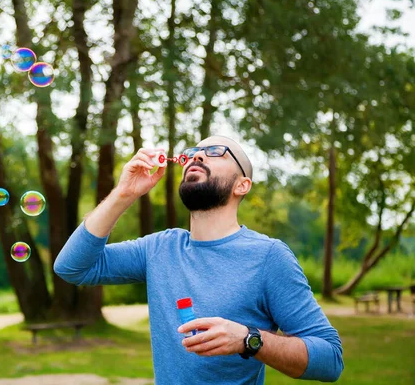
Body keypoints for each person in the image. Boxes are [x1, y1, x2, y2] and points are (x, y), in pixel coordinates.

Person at [54, 135, 344, 384]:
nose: (197, 156)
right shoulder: (160, 248)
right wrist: (124, 193)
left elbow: (330, 359)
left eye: (215, 151)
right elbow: (71, 267)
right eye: (192, 153)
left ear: (241, 185)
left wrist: (248, 339)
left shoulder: (269, 257)